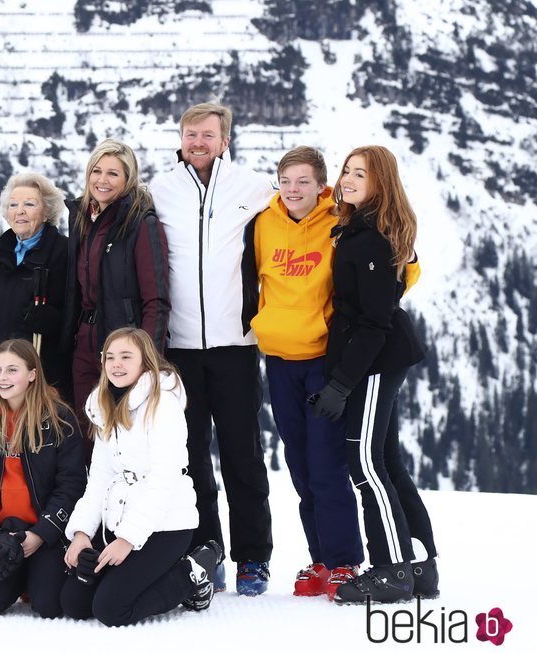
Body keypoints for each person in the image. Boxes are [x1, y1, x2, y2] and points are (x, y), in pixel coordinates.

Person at [149, 102, 275, 595]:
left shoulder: (254, 187)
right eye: (190, 134)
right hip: (178, 348)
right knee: (191, 454)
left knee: (243, 454)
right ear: (181, 139)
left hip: (236, 345)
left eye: (208, 135)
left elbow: (306, 212)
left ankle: (253, 558)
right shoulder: (161, 189)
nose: (198, 142)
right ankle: (207, 550)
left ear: (225, 140)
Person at [314, 145, 438, 605]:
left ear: (379, 183)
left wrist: (342, 383)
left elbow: (374, 322)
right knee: (385, 462)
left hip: (375, 360)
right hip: (378, 357)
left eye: (359, 174)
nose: (346, 179)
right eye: (346, 170)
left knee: (365, 465)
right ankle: (421, 566)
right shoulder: (361, 228)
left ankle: (391, 570)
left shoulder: (372, 240)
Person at [249, 146, 365, 600]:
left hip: (323, 361)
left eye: (303, 181)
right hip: (279, 361)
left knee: (326, 465)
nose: (293, 189)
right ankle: (319, 558)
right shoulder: (264, 224)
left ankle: (344, 563)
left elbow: (395, 267)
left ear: (321, 186)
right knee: (299, 464)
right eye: (286, 180)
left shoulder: (341, 221)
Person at [59, 328, 223, 627]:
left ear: (145, 363)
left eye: (125, 357)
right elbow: (99, 479)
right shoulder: (105, 405)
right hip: (120, 521)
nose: (116, 364)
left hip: (166, 525)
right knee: (75, 603)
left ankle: (193, 572)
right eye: (110, 357)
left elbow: (164, 482)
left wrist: (126, 540)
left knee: (111, 609)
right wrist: (82, 533)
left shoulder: (163, 405)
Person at [61, 139, 170, 459]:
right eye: (97, 171)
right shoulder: (81, 218)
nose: (102, 180)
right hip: (85, 344)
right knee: (86, 435)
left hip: (124, 347)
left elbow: (157, 299)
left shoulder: (141, 223)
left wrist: (150, 360)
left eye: (113, 174)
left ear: (128, 180)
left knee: (123, 439)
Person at [0, 339, 86, 618]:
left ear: (32, 374)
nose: (2, 378)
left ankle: (37, 574)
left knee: (49, 606)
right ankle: (20, 574)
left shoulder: (59, 419)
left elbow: (72, 485)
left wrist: (41, 534)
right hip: (4, 532)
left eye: (12, 370)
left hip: (45, 531)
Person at [0, 173, 69, 389]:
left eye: (29, 204)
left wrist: (53, 320)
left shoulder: (64, 252)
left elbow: (75, 311)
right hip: (0, 369)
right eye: (13, 205)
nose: (19, 211)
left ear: (46, 212)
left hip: (42, 371)